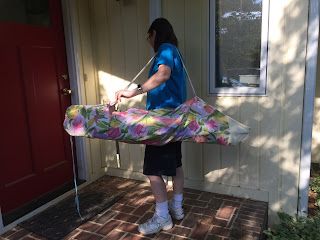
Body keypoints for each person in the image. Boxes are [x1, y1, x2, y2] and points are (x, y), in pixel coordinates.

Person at [115, 18, 187, 235]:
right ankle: (176, 206)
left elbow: (163, 75)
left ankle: (163, 217)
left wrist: (134, 91)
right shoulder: (175, 51)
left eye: (149, 37)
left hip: (161, 121)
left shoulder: (165, 48)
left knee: (153, 170)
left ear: (155, 33)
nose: (149, 42)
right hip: (175, 118)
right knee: (175, 165)